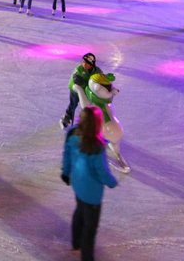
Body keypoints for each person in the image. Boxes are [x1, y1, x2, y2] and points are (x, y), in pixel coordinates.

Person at [61, 106, 118, 260]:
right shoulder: (96, 146)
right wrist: (112, 182)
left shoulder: (73, 135)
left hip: (77, 183)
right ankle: (87, 257)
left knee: (79, 211)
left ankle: (76, 243)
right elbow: (102, 171)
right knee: (90, 227)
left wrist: (65, 173)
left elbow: (66, 155)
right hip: (92, 193)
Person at [85, 72, 130, 172]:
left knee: (109, 134)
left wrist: (112, 92)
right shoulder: (96, 97)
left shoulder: (99, 96)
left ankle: (112, 149)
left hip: (108, 126)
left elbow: (107, 97)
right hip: (104, 125)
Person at [61, 53, 100, 129]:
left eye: (87, 63)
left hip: (87, 90)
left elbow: (101, 79)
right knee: (73, 104)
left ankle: (84, 120)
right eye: (83, 62)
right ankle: (67, 118)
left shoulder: (97, 71)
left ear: (91, 64)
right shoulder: (79, 69)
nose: (84, 64)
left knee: (87, 105)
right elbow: (76, 79)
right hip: (75, 89)